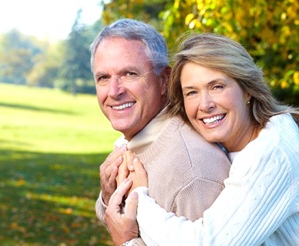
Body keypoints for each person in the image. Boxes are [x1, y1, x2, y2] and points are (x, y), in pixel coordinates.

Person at [105, 33, 299, 245]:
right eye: (191, 93)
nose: (205, 104)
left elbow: (210, 242)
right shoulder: (233, 143)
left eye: (217, 87)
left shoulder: (273, 152)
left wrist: (139, 199)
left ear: (247, 90)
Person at [90, 20, 231, 245]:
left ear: (164, 80)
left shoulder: (193, 171)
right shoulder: (138, 142)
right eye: (103, 78)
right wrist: (108, 198)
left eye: (129, 74)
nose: (114, 91)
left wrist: (126, 241)